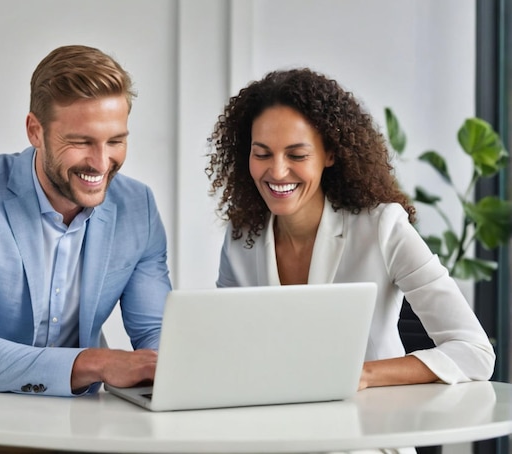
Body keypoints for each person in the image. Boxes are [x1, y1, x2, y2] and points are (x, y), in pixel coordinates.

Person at [0, 45, 172, 453]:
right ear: (35, 131)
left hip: (75, 419)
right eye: (81, 142)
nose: (101, 162)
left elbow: (157, 332)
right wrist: (97, 363)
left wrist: (172, 369)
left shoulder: (136, 207)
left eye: (116, 141)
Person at [205, 68, 495, 453]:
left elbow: (474, 351)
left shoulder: (383, 227)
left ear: (329, 153)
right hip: (273, 438)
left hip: (365, 441)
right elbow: (230, 349)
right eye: (262, 154)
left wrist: (361, 375)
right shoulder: (242, 237)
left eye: (297, 154)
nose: (276, 171)